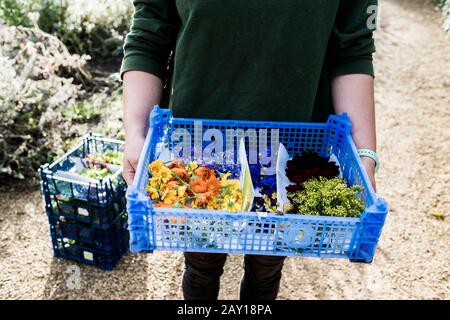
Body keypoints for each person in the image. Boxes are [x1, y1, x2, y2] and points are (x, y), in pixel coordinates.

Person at [121, 0, 379, 300]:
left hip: (291, 154)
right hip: (200, 152)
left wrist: (365, 156)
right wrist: (135, 134)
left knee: (267, 268)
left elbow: (352, 51)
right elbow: (148, 36)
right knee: (201, 265)